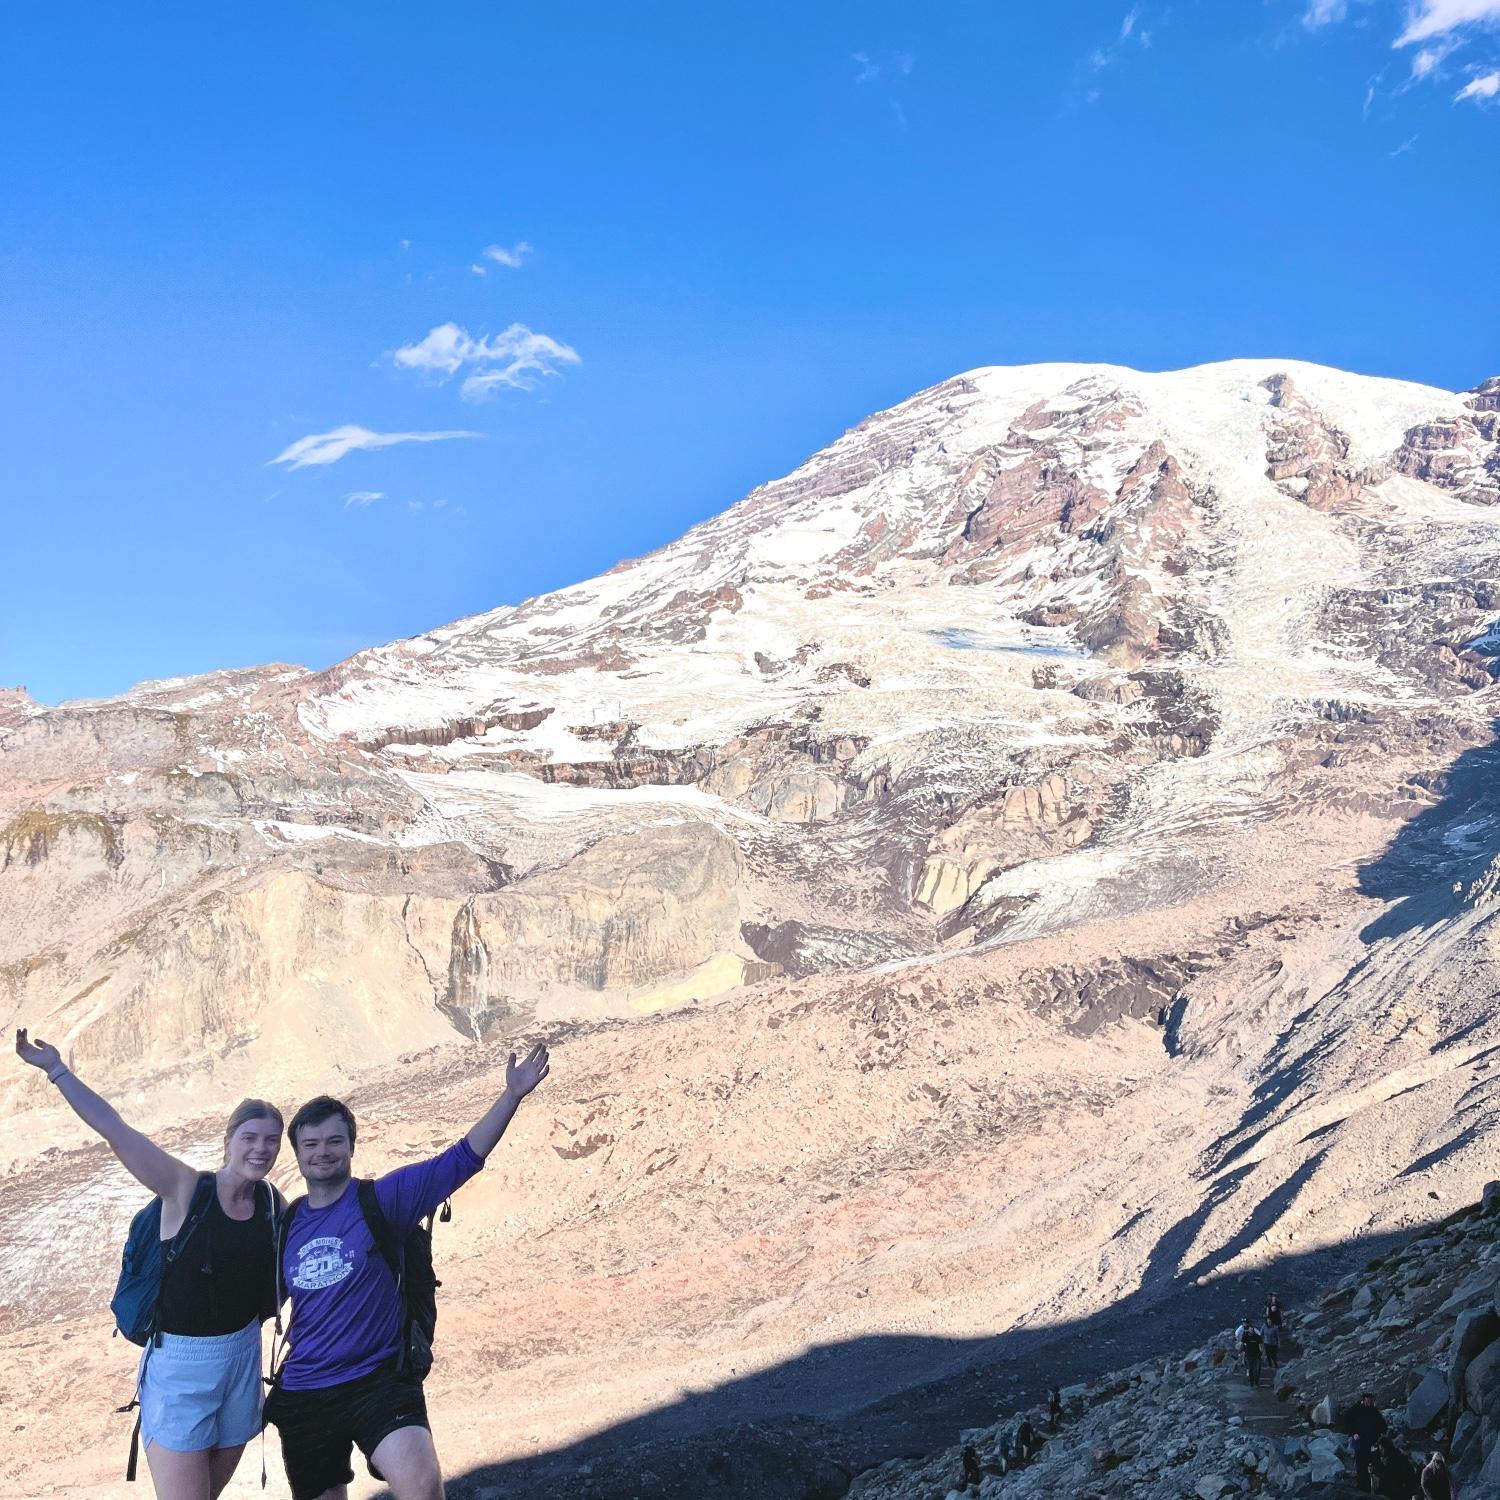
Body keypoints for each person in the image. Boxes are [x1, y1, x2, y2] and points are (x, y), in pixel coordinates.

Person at [262, 1042, 551, 1500]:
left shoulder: (383, 1200)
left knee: (421, 1488)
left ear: (351, 1146)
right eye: (311, 1143)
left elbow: (458, 1161)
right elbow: (253, 1301)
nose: (323, 1152)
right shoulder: (286, 1224)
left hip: (379, 1381)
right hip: (305, 1393)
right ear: (297, 1152)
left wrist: (510, 1097)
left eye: (335, 1141)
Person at [15, 1028, 283, 1500]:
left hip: (243, 1358)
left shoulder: (270, 1201)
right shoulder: (185, 1189)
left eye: (271, 1140)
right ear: (229, 1140)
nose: (261, 1148)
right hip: (181, 1366)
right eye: (250, 1137)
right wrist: (57, 1070)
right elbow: (117, 1132)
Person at [1348, 1392, 1388, 1493]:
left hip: (1372, 1443)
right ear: (1363, 1400)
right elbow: (1348, 1422)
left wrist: (1383, 1432)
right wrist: (1353, 1433)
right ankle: (1363, 1489)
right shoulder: (1355, 1410)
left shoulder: (1374, 1411)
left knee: (1377, 1466)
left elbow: (1382, 1424)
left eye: (1371, 1401)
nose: (1370, 1402)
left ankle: (1379, 1488)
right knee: (1361, 1467)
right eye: (1368, 1400)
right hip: (1360, 1444)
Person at [1236, 1317, 1264, 1387]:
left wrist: (1262, 1352)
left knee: (1257, 1369)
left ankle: (1256, 1381)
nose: (1244, 1324)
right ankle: (1251, 1381)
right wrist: (1240, 1347)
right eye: (1243, 1323)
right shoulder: (1243, 1332)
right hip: (1248, 1352)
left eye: (1245, 1322)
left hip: (1257, 1354)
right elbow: (1237, 1334)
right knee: (1251, 1368)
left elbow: (1259, 1337)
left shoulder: (1257, 1336)